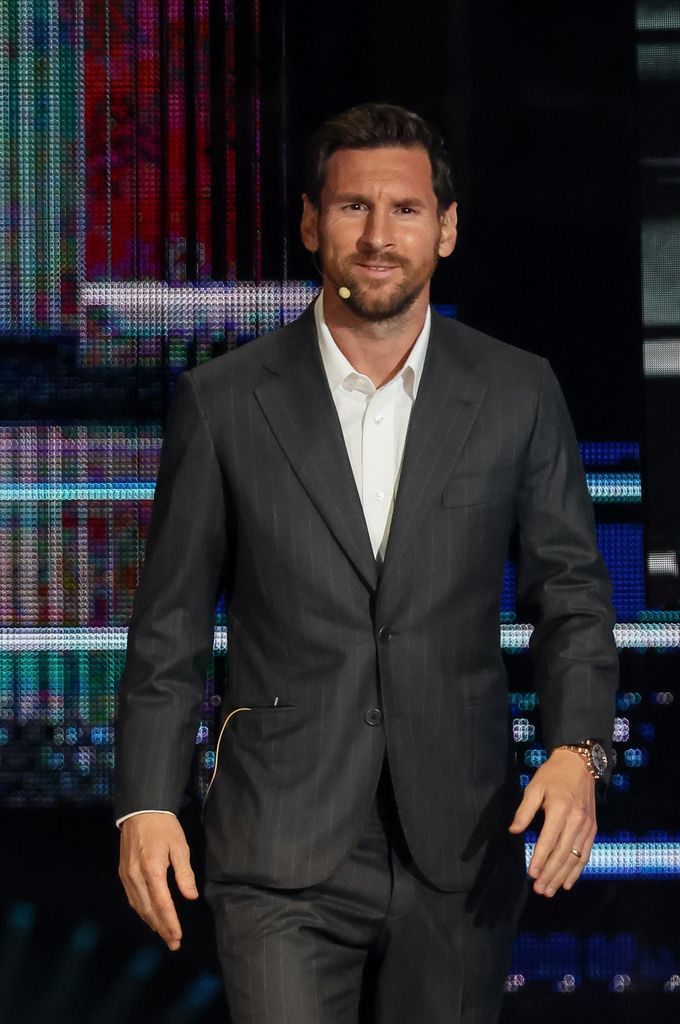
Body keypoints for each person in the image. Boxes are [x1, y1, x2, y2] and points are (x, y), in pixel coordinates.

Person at [116, 102, 618, 1024]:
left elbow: (572, 595)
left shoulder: (517, 390)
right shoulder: (224, 401)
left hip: (463, 839)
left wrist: (578, 749)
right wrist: (145, 803)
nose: (379, 235)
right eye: (353, 208)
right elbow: (172, 621)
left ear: (448, 227)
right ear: (311, 221)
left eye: (407, 209)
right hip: (278, 841)